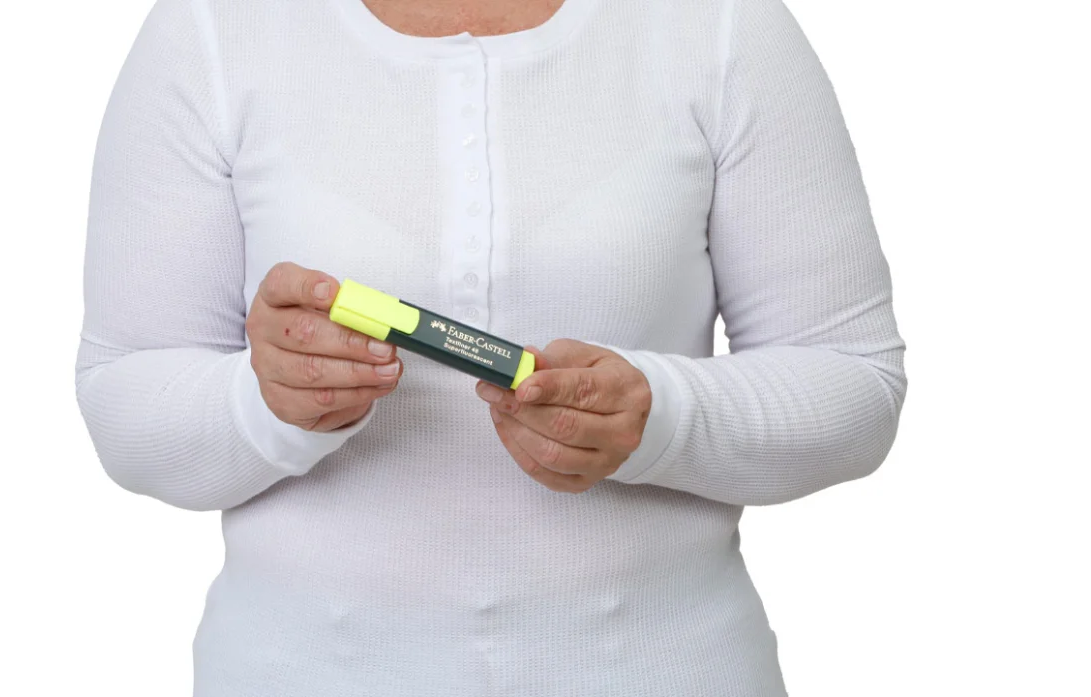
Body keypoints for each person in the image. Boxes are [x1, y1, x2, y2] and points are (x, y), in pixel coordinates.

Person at [75, 0, 907, 693]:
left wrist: (660, 418)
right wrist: (268, 402)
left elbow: (855, 383)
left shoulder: (720, 24)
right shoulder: (214, 28)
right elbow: (124, 398)